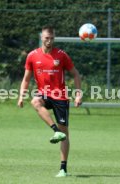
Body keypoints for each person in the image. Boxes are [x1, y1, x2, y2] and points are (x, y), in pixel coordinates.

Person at [17, 25, 82, 177]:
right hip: (44, 94)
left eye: (52, 38)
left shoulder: (61, 55)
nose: (49, 40)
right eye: (47, 38)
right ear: (41, 37)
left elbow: (76, 74)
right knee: (35, 102)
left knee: (65, 134)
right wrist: (21, 96)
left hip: (60, 96)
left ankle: (63, 169)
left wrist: (78, 94)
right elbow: (26, 79)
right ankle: (55, 131)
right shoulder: (32, 56)